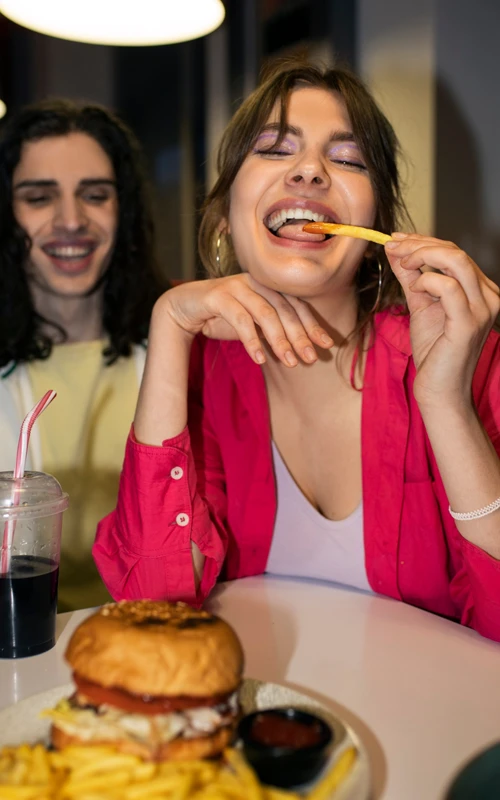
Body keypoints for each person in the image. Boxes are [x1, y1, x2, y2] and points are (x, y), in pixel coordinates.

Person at [94, 60, 500, 641]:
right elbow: (153, 610)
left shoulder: (469, 360)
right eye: (274, 150)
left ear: (377, 222)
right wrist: (169, 325)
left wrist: (447, 404)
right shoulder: (205, 376)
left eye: (347, 159)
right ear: (225, 218)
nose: (309, 171)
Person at [0, 99, 165, 610]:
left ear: (125, 211)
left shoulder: (178, 354)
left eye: (95, 195)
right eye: (39, 197)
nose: (71, 220)